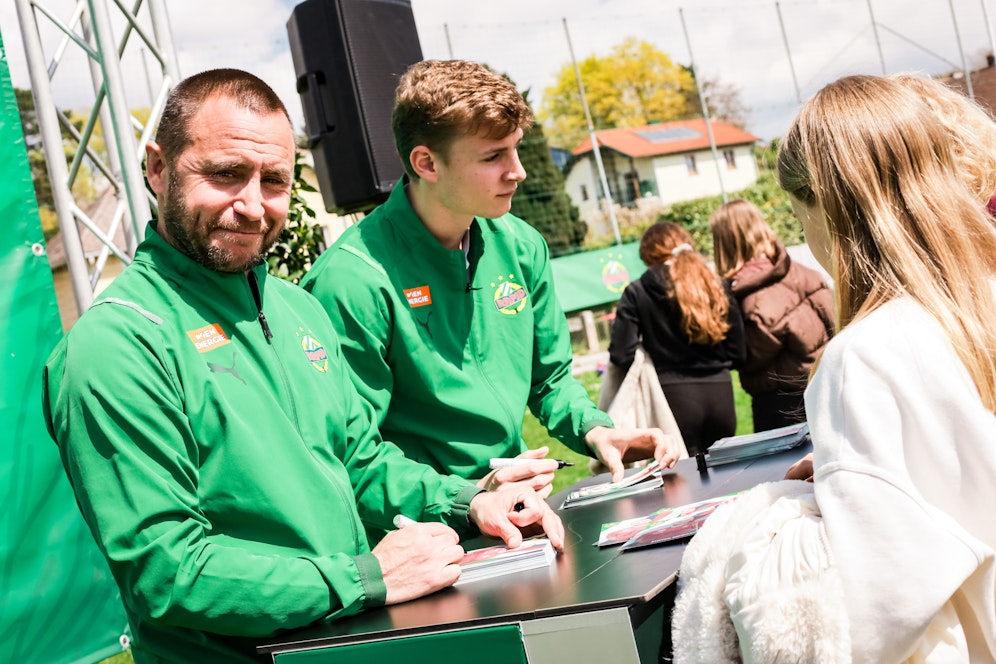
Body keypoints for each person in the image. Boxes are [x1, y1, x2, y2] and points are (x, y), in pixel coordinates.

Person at [42, 68, 564, 664]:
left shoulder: (299, 309)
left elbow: (360, 463)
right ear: (158, 168)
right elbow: (168, 570)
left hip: (360, 645)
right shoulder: (116, 344)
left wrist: (470, 500)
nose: (251, 205)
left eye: (274, 181)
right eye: (225, 174)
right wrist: (365, 577)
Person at [672, 75, 996, 663]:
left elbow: (874, 614)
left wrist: (779, 519)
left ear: (828, 206)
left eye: (801, 221)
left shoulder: (866, 355)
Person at [300, 59, 681, 497]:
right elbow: (352, 455)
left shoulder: (521, 245)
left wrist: (596, 430)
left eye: (516, 148)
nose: (517, 170)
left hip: (516, 506)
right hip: (421, 537)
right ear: (426, 163)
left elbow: (551, 380)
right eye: (493, 155)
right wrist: (470, 496)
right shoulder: (350, 281)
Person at [607, 222, 746, 456]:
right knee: (725, 474)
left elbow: (621, 354)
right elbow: (738, 352)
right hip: (720, 394)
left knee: (684, 481)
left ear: (650, 256)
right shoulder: (715, 285)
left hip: (672, 397)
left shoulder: (638, 290)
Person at [709, 199, 835, 431]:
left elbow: (748, 356)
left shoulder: (744, 298)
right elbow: (835, 325)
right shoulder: (806, 274)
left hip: (779, 405)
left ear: (723, 243)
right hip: (825, 388)